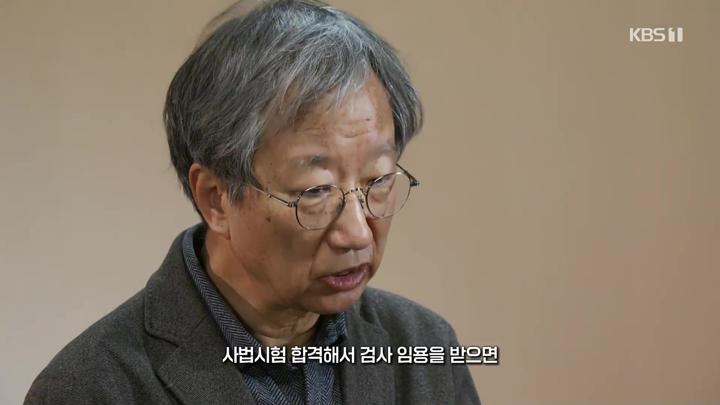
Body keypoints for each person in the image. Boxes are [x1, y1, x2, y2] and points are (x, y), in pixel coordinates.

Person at [25, 1, 481, 404]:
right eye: (315, 192)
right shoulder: (91, 388)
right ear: (216, 198)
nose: (357, 233)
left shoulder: (424, 349)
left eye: (378, 180)